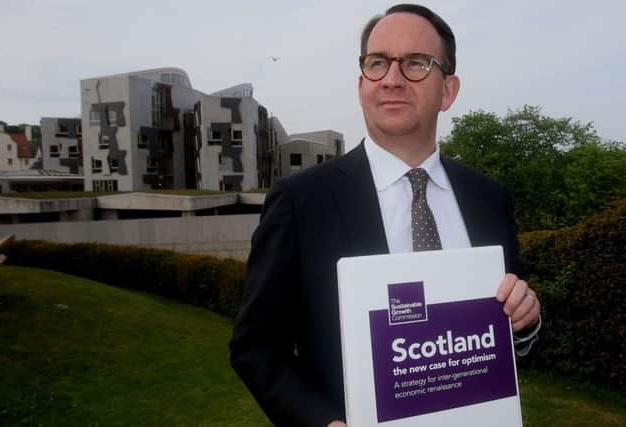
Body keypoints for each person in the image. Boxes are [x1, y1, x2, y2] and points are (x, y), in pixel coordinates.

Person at [230, 4, 541, 427]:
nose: (392, 79)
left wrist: (525, 321)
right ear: (362, 85)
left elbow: (510, 330)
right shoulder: (301, 201)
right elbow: (256, 347)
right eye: (378, 63)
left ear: (448, 90)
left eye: (415, 63)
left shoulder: (489, 197)